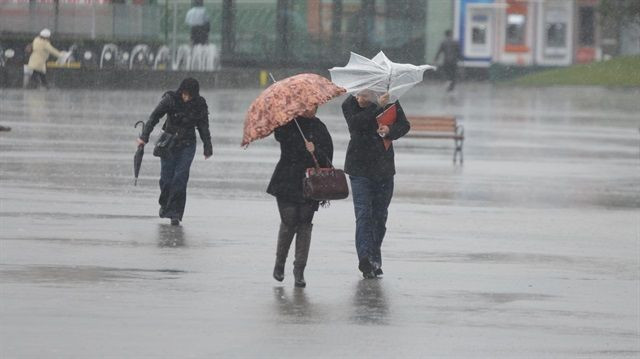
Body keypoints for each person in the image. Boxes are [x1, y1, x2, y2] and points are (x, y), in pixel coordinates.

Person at [342, 90, 410, 279]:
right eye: (358, 95)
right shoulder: (349, 104)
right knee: (363, 214)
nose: (359, 98)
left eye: (363, 95)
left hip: (384, 168)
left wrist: (390, 131)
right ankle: (364, 259)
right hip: (359, 169)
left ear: (372, 92)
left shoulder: (390, 101)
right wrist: (376, 106)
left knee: (380, 216)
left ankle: (374, 258)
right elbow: (356, 124)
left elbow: (404, 125)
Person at [267, 106, 333, 288]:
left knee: (304, 224)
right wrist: (285, 118)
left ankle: (299, 270)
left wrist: (315, 150)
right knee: (289, 222)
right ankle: (280, 264)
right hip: (286, 179)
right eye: (306, 106)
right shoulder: (288, 124)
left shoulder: (320, 127)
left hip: (310, 183)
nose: (310, 109)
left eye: (314, 106)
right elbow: (280, 136)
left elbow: (328, 159)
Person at [137, 78, 213, 226]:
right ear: (181, 91)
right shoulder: (170, 99)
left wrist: (207, 147)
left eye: (190, 95)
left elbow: (204, 127)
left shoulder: (199, 104)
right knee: (166, 179)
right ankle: (165, 205)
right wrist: (144, 137)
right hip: (168, 144)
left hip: (188, 145)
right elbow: (154, 117)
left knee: (180, 178)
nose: (186, 98)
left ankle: (175, 214)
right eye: (185, 94)